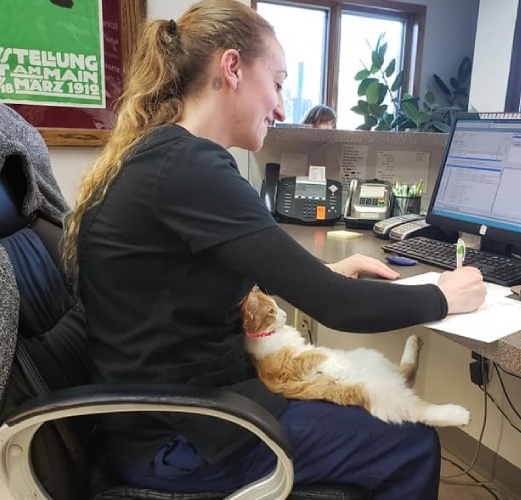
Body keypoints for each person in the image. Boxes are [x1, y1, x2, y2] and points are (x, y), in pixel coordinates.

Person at [62, 1, 486, 498]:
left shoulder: (160, 156)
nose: (282, 107)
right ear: (232, 68)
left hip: (164, 419)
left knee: (364, 413)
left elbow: (180, 285)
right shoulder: (189, 166)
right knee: (410, 442)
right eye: (279, 82)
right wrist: (443, 294)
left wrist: (322, 272)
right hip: (184, 438)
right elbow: (336, 306)